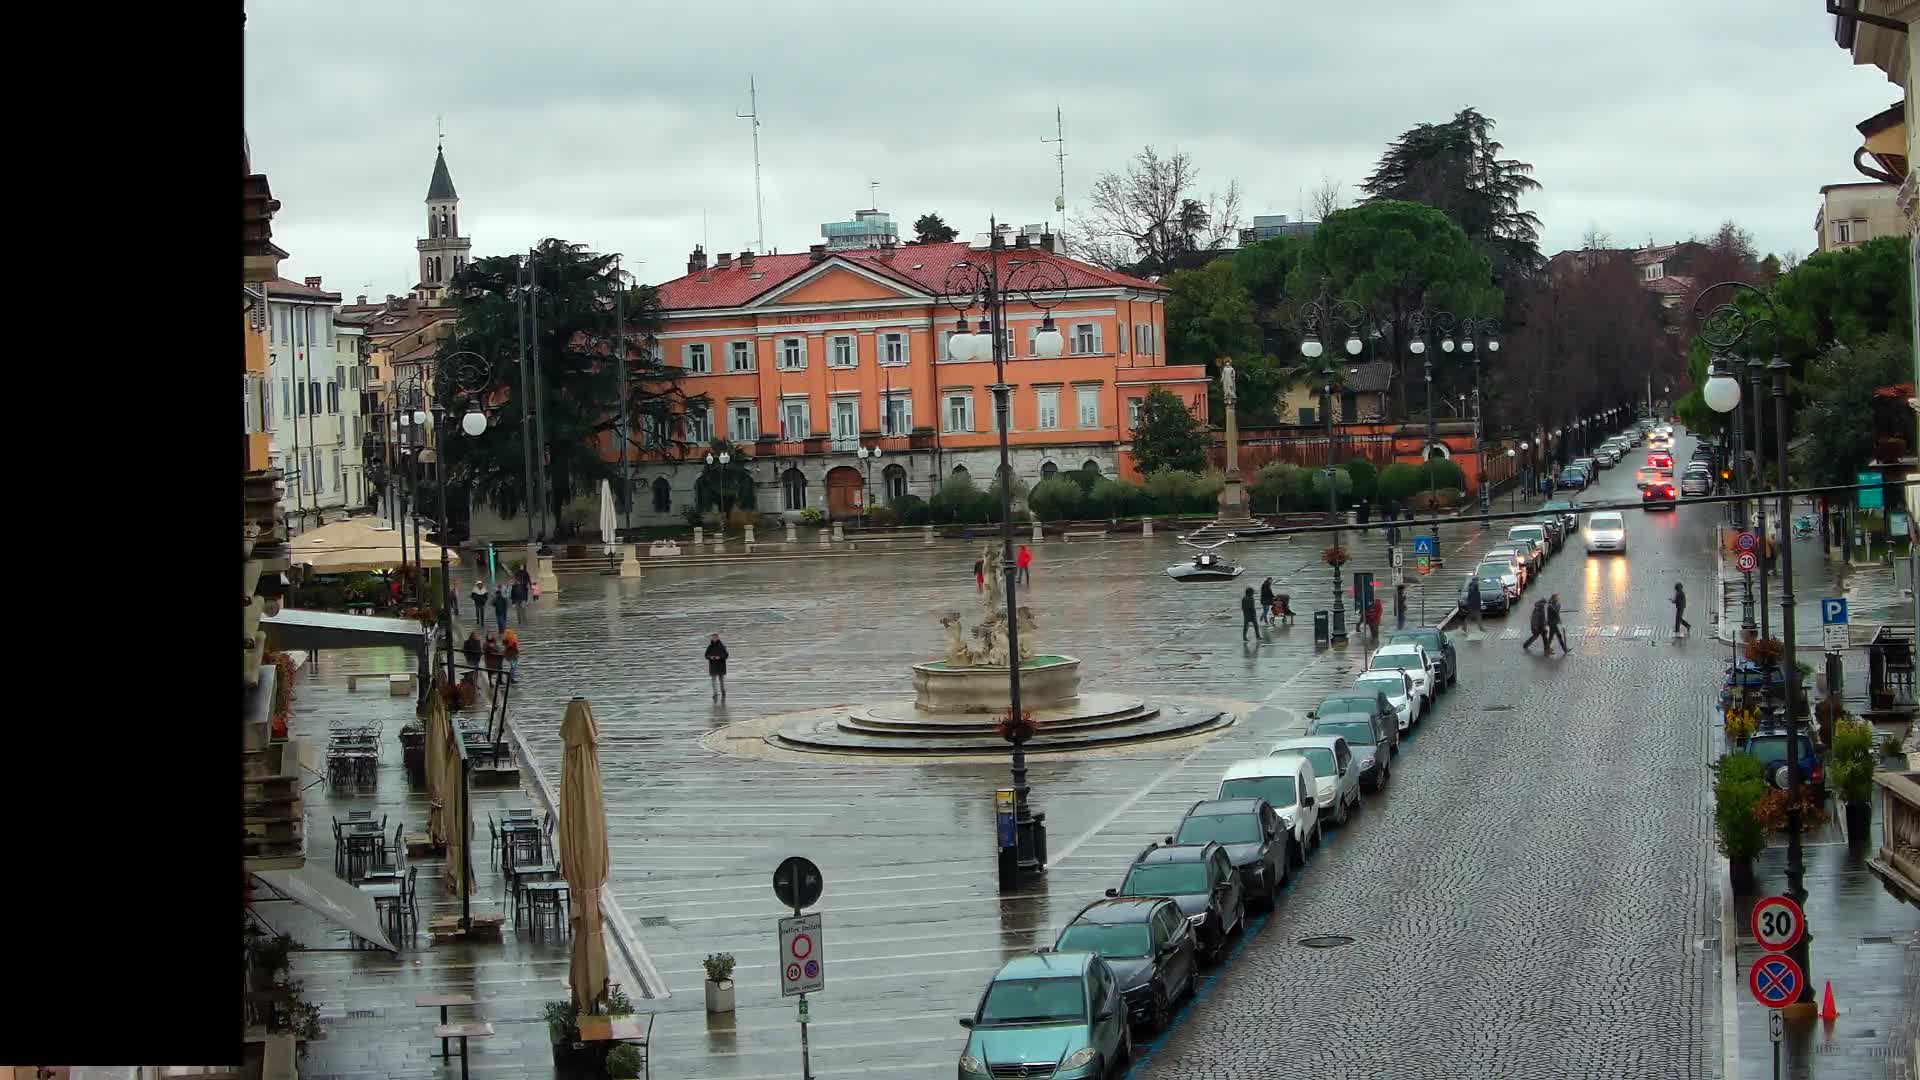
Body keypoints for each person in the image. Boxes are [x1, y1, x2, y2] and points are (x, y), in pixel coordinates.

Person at [705, 633, 729, 700]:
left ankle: (723, 692)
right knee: (713, 680)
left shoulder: (722, 646)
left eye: (715, 637)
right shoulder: (709, 647)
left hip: (721, 666)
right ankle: (715, 694)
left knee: (721, 680)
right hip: (713, 666)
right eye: (713, 637)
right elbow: (706, 655)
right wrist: (710, 657)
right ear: (711, 638)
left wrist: (720, 657)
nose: (714, 639)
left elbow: (726, 655)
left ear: (718, 638)